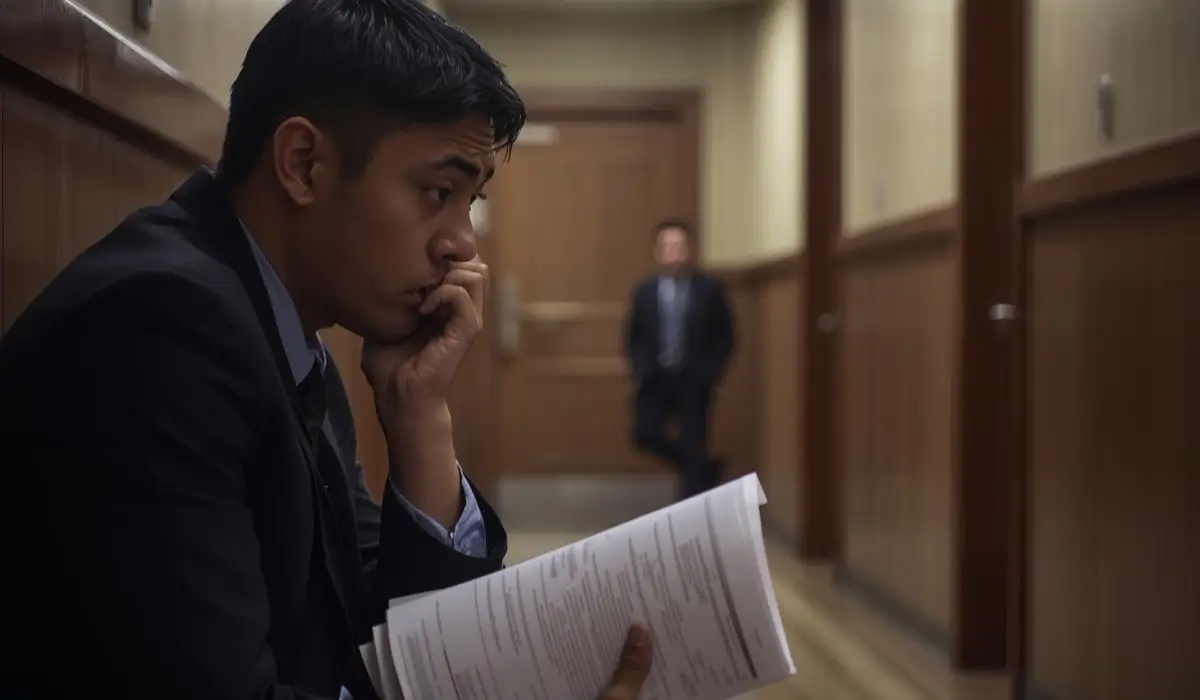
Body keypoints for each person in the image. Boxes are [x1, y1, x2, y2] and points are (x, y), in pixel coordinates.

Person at [0, 1, 653, 697]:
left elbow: (379, 640)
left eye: (471, 202)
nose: (463, 244)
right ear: (304, 163)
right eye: (438, 191)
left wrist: (421, 415)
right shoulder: (159, 328)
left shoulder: (282, 325)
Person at [624, 219, 735, 500]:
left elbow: (726, 335)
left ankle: (689, 514)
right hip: (654, 378)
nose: (673, 251)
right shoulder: (644, 291)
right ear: (657, 251)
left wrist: (710, 372)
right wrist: (640, 367)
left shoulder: (709, 289)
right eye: (667, 246)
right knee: (644, 434)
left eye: (679, 245)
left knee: (693, 444)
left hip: (694, 380)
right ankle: (702, 467)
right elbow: (632, 335)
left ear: (688, 250)